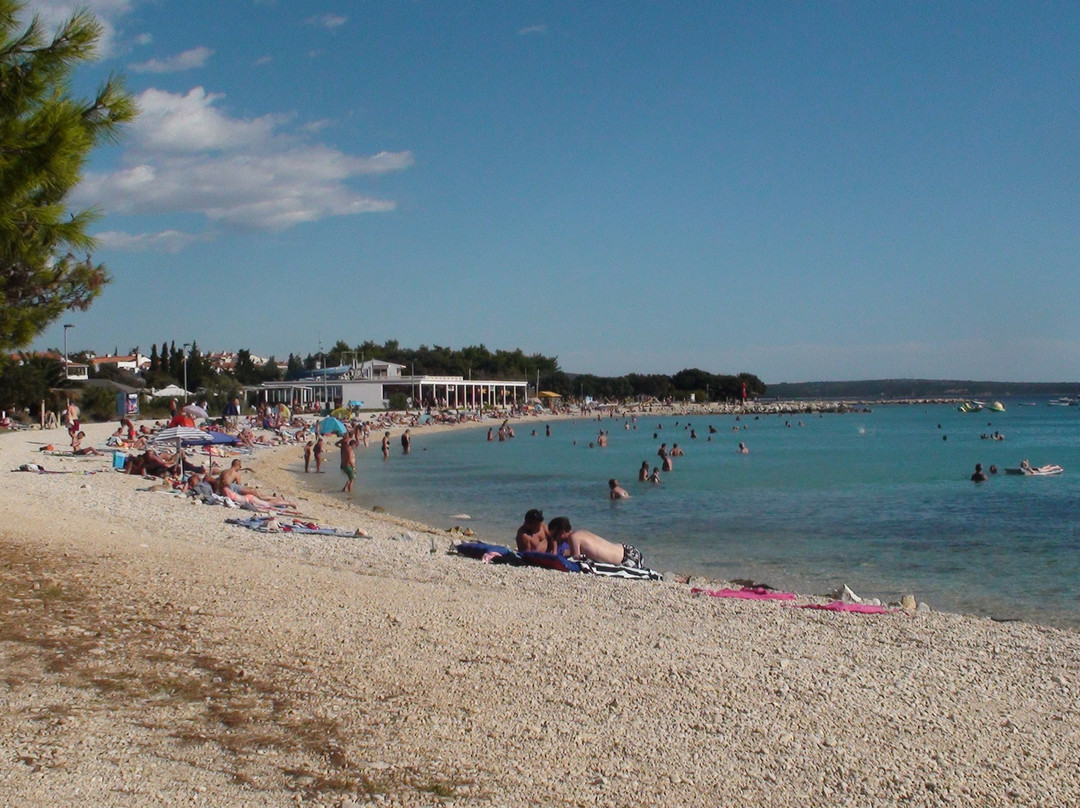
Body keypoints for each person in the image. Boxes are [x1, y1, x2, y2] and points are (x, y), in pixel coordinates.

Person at [547, 517, 644, 568]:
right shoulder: (580, 533)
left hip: (628, 560)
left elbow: (575, 560)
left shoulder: (573, 538)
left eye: (555, 536)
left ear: (562, 532)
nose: (554, 540)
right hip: (629, 550)